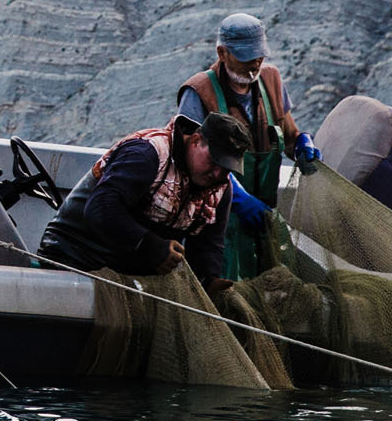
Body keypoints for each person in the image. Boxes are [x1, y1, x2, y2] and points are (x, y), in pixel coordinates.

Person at [174, 12, 320, 278]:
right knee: (223, 287)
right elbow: (186, 159)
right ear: (222, 53)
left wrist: (301, 143)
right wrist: (238, 197)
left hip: (260, 222)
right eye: (245, 60)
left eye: (259, 58)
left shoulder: (271, 81)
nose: (254, 66)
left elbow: (288, 136)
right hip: (215, 224)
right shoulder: (198, 92)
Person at [38, 111, 250, 288]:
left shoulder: (221, 189)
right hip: (73, 256)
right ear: (195, 141)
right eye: (214, 162)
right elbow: (100, 208)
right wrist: (150, 245)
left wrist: (208, 280)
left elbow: (208, 244)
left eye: (226, 169)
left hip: (129, 277)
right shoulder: (148, 153)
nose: (217, 174)